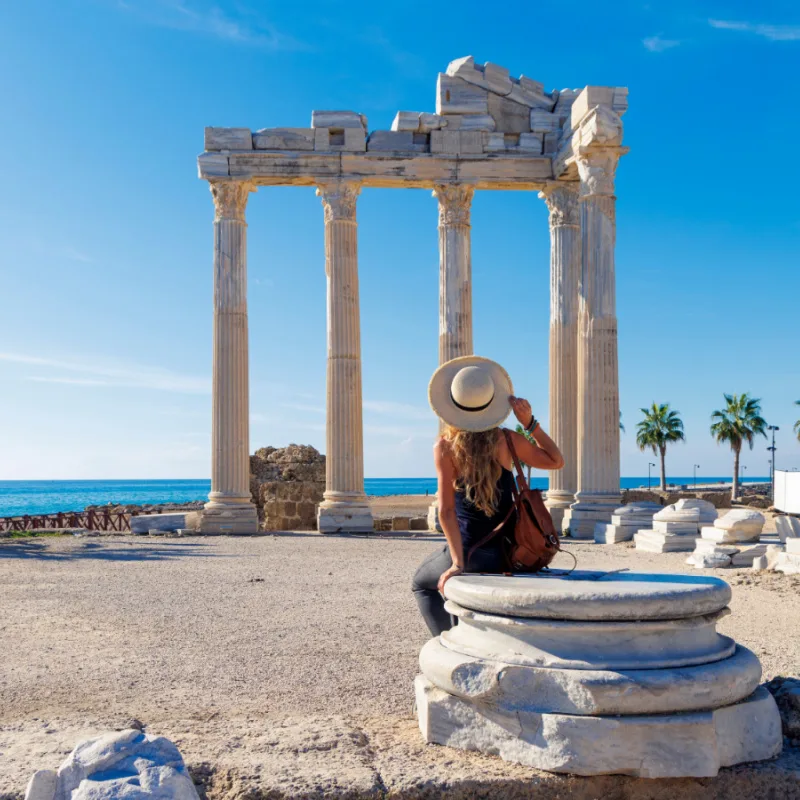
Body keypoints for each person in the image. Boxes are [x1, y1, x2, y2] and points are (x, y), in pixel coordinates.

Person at [412, 356, 564, 636]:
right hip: (508, 552)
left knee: (421, 584)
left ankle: (448, 643)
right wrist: (530, 424)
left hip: (471, 552)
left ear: (453, 405)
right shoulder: (509, 440)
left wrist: (458, 563)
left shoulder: (445, 447)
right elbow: (556, 461)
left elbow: (446, 512)